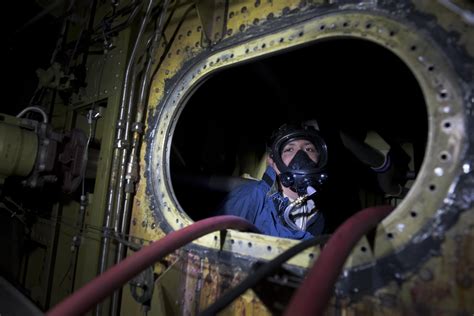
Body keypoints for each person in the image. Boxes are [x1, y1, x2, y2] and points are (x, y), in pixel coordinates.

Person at [218, 122, 329, 240]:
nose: (301, 156)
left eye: (309, 149)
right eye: (289, 149)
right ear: (272, 161)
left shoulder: (318, 212)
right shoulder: (250, 196)